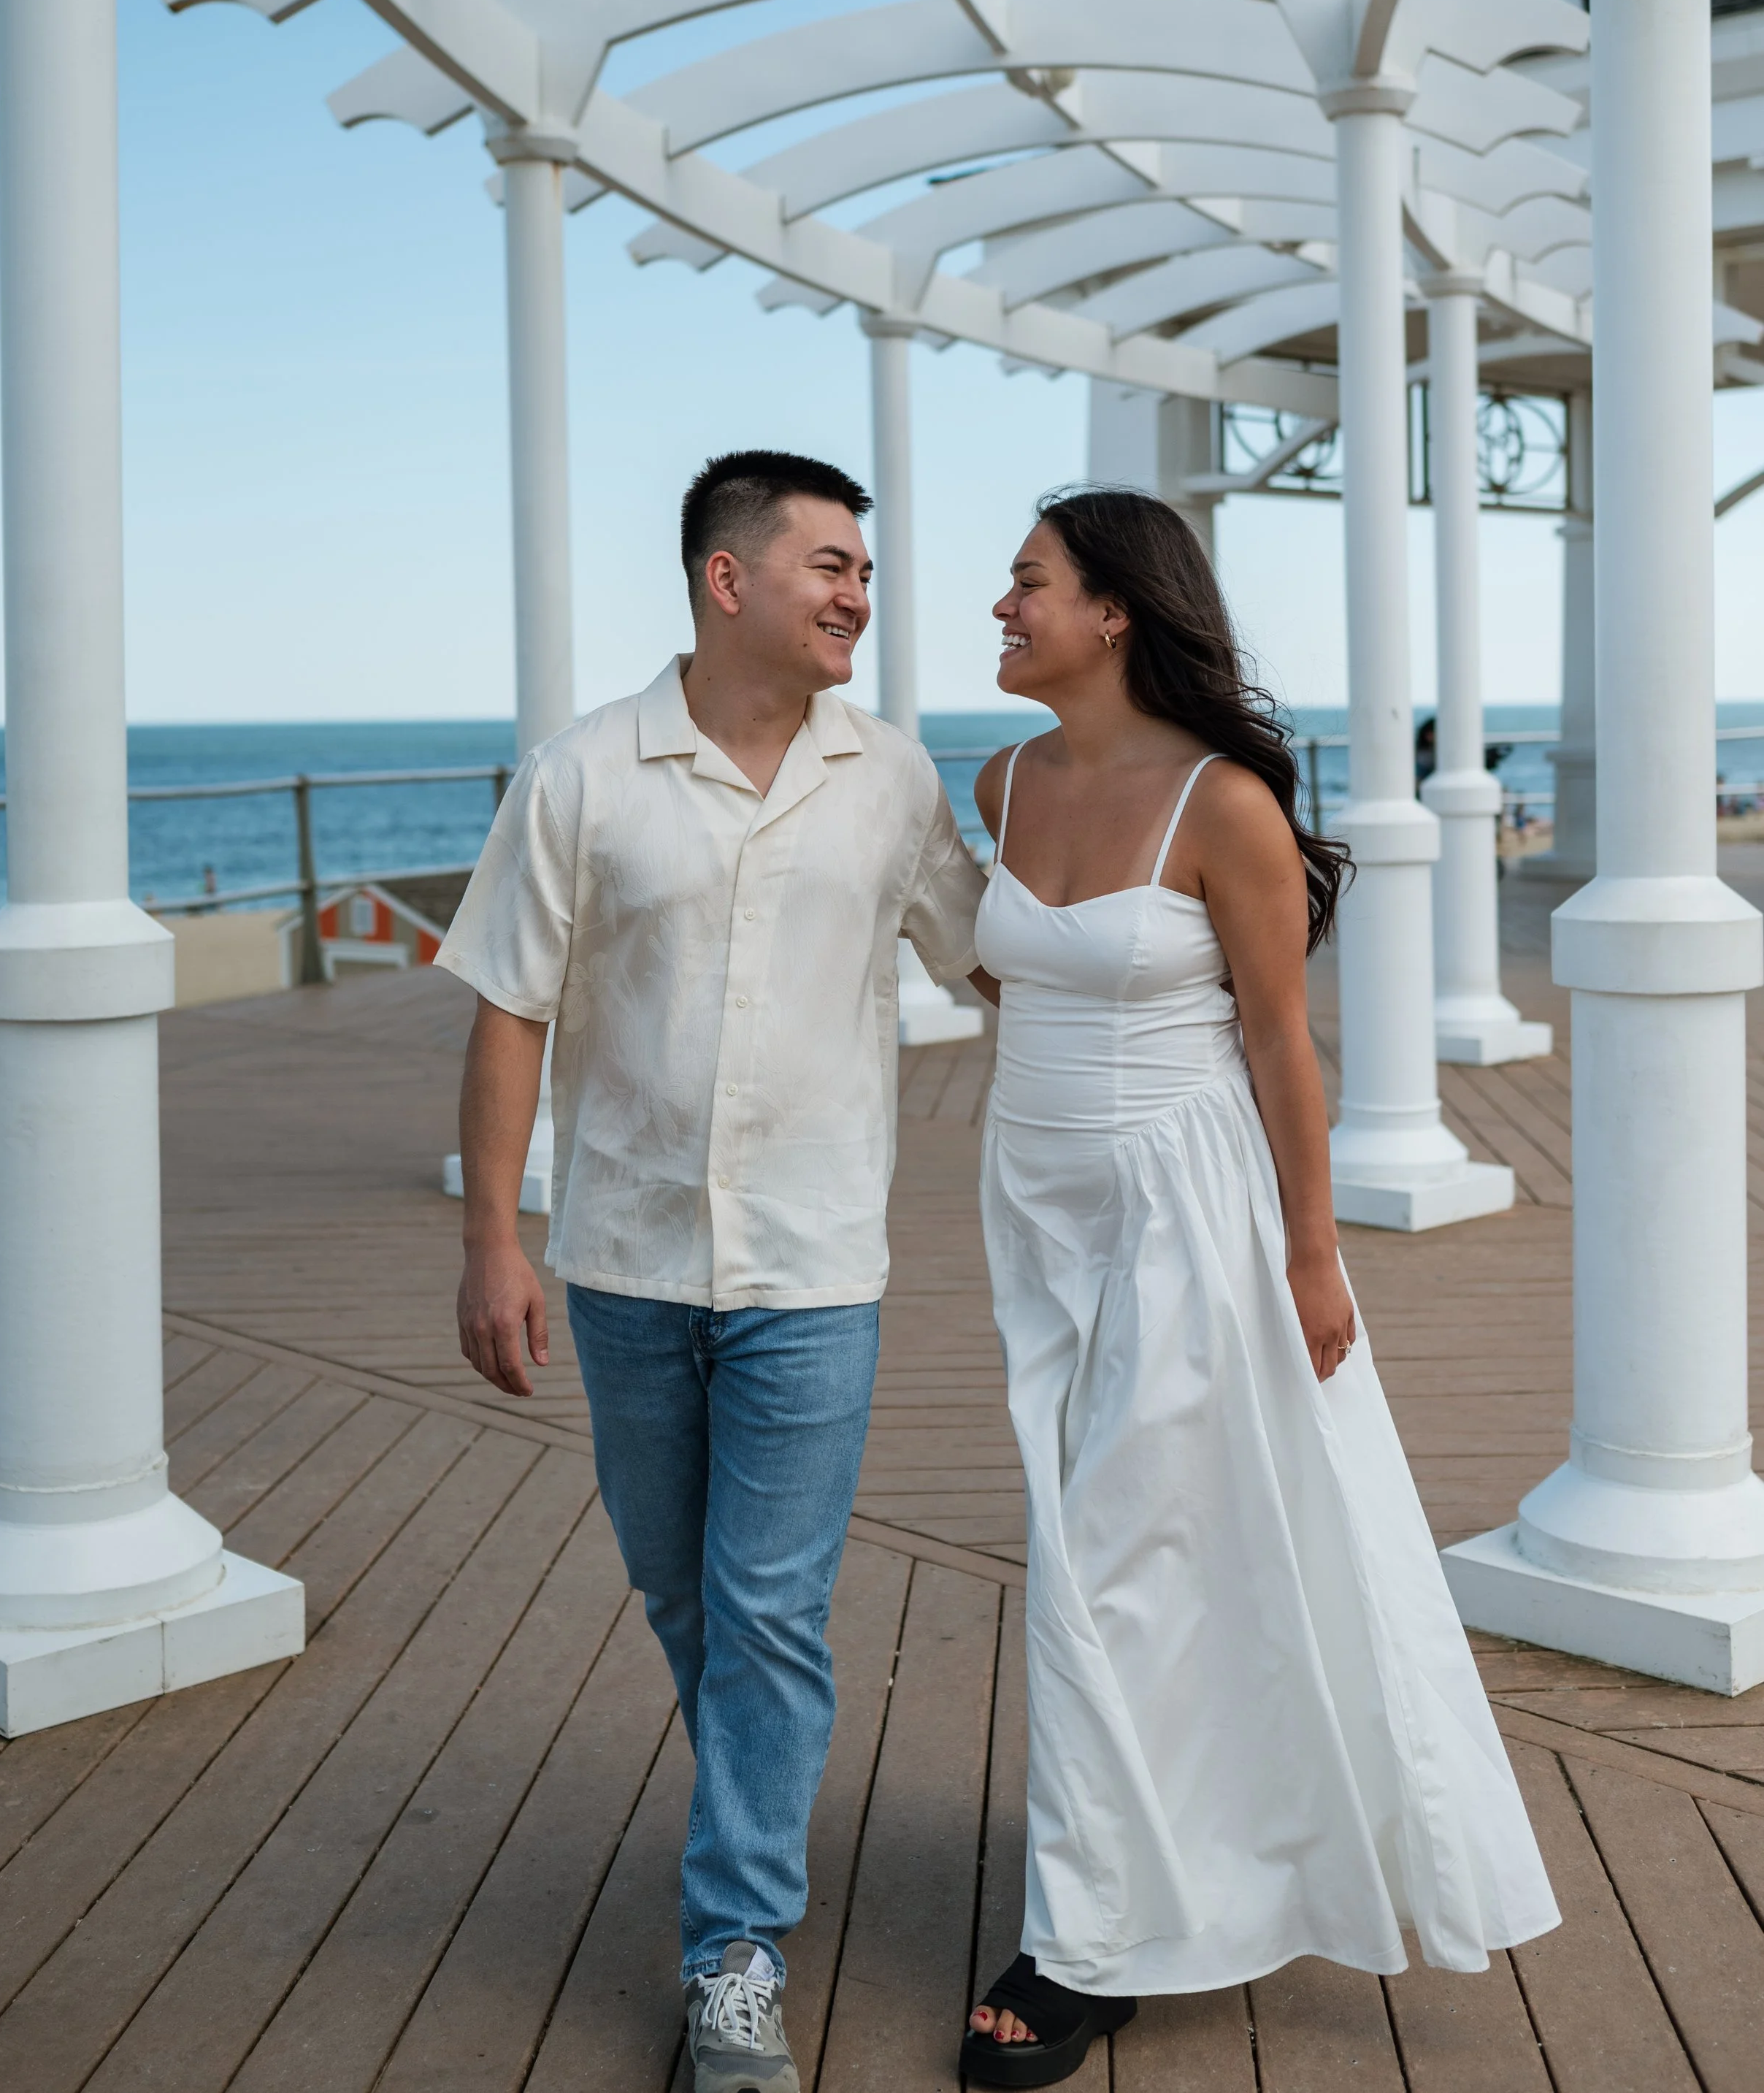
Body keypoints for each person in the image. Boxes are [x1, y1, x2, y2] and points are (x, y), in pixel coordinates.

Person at [959, 487, 1558, 2087]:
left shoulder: (1220, 804)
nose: (999, 607)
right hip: (1030, 1207)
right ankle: (1170, 1864)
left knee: (1120, 1558)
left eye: (1026, 584)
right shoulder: (997, 778)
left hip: (1184, 1204)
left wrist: (1309, 1253)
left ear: (1113, 613)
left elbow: (1279, 1040)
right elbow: (997, 965)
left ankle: (1085, 1941)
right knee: (1112, 1548)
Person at [434, 450, 986, 2093]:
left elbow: (987, 952)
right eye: (828, 566)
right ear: (725, 579)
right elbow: (507, 1007)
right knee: (689, 1597)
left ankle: (732, 1950)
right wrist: (491, 1244)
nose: (857, 597)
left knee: (766, 1609)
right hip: (620, 1263)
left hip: (816, 1266)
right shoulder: (583, 774)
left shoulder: (890, 778)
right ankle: (757, 1805)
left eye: (864, 573)